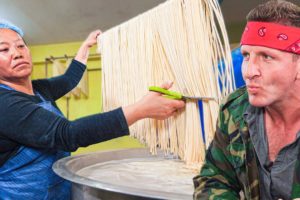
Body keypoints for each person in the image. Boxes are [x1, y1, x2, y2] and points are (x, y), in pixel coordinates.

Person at [0, 20, 185, 199]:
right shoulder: (4, 104)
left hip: (56, 190)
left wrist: (84, 49)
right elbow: (67, 134)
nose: (16, 53)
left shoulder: (40, 89)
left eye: (20, 46)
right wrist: (140, 110)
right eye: (4, 49)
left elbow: (68, 81)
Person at [193, 0, 300, 199]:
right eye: (246, 55)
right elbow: (214, 179)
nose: (249, 72)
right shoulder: (236, 110)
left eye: (267, 57)